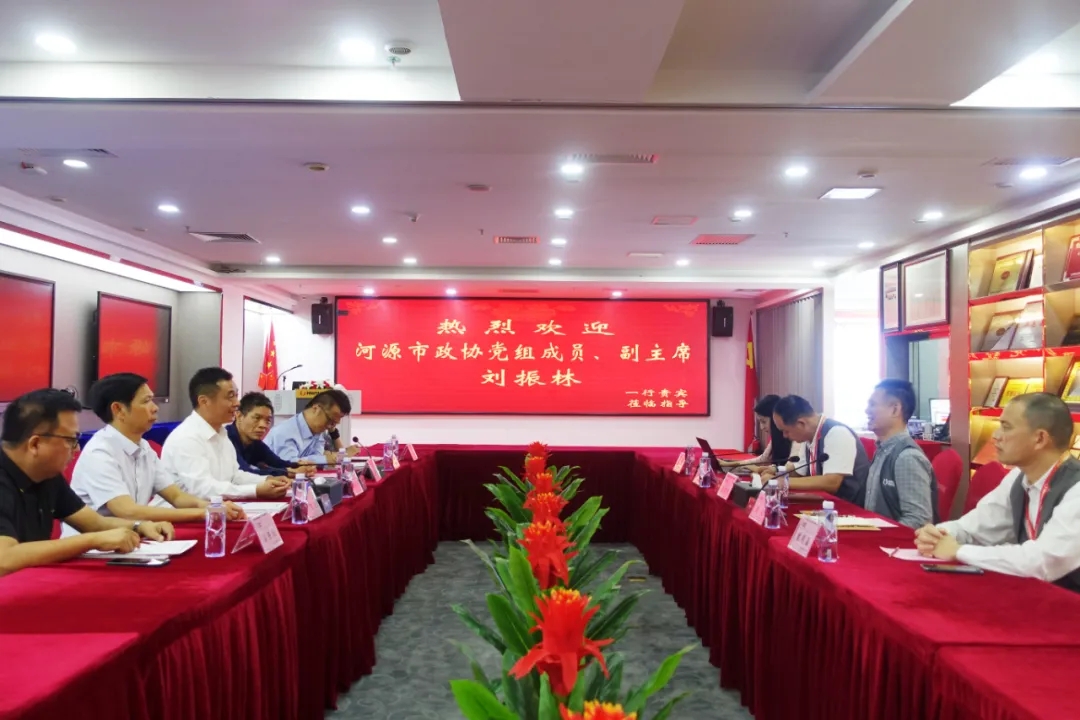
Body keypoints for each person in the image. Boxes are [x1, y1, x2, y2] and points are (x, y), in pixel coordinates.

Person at [0, 389, 174, 576]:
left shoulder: (47, 475)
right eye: (71, 440)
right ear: (35, 444)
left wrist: (139, 527)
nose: (76, 450)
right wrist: (92, 541)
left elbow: (95, 523)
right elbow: (4, 559)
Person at [915, 393, 1080, 591]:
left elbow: (1042, 561)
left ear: (1040, 438)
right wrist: (939, 534)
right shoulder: (1018, 476)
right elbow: (977, 526)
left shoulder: (1075, 488)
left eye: (1006, 427)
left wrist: (959, 551)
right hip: (1039, 596)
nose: (995, 435)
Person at [65, 373, 244, 536]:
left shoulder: (144, 447)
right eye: (146, 401)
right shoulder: (100, 453)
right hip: (90, 547)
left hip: (131, 539)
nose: (155, 408)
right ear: (118, 410)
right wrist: (203, 513)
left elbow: (177, 496)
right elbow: (127, 511)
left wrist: (214, 506)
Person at [161, 368, 289, 500]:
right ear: (204, 401)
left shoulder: (222, 433)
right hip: (178, 511)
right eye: (230, 396)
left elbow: (234, 476)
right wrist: (255, 490)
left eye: (236, 396)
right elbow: (203, 490)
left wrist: (267, 480)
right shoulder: (187, 437)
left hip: (215, 508)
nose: (237, 403)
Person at [864, 379, 938, 528]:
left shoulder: (907, 457)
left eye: (872, 404)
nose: (867, 410)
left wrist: (880, 535)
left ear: (895, 410)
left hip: (894, 541)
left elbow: (919, 521)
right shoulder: (883, 450)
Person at [772, 394, 870, 506]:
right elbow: (800, 472)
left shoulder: (837, 433)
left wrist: (781, 482)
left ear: (801, 424)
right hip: (825, 504)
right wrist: (773, 474)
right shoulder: (807, 438)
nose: (784, 436)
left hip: (851, 508)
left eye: (786, 431)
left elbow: (831, 483)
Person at [228, 392, 312, 476]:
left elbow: (277, 463)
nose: (263, 425)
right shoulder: (227, 439)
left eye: (268, 420)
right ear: (239, 416)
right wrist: (287, 472)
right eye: (257, 418)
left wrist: (299, 465)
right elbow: (244, 473)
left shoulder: (255, 442)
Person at [265, 389, 358, 464]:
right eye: (330, 420)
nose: (330, 427)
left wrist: (331, 458)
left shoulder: (317, 431)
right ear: (316, 409)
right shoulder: (284, 432)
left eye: (335, 423)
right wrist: (330, 458)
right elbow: (291, 465)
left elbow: (317, 456)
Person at [720, 394, 793, 473]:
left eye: (764, 422)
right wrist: (730, 464)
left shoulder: (796, 437)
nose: (762, 427)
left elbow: (792, 470)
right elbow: (762, 460)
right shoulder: (776, 437)